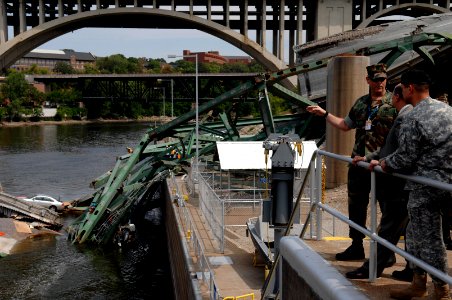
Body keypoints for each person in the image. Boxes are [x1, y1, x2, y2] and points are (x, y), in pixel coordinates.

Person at [306, 63, 397, 261]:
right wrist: (325, 114)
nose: (379, 83)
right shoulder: (361, 103)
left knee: (389, 209)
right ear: (368, 80)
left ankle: (386, 253)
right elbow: (345, 125)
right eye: (375, 79)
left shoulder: (395, 102)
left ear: (386, 79)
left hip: (384, 166)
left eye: (382, 79)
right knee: (356, 206)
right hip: (358, 165)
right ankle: (356, 246)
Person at [378, 70, 452, 299]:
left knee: (429, 239)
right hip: (448, 183)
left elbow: (405, 158)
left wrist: (383, 163)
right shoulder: (449, 111)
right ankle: (418, 283)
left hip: (425, 187)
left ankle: (441, 290)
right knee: (413, 232)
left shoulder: (413, 118)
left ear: (410, 88)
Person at [345, 84, 412, 279]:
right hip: (395, 177)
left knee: (391, 226)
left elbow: (404, 152)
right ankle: (412, 271)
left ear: (397, 97)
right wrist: (368, 158)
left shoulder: (406, 117)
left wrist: (384, 162)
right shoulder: (401, 114)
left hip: (400, 182)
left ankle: (375, 269)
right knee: (404, 228)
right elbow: (391, 148)